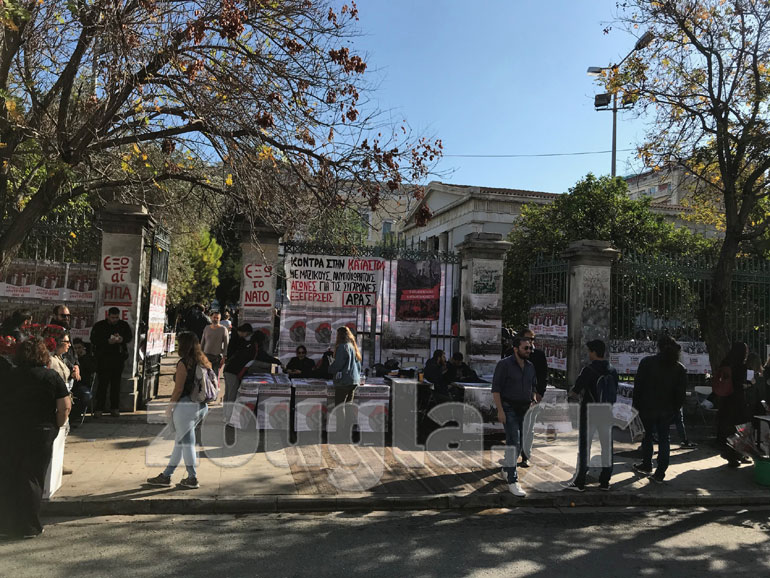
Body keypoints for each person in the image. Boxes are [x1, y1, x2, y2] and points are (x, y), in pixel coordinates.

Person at [0, 337, 71, 539]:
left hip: (10, 429)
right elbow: (64, 407)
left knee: (10, 474)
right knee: (32, 476)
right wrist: (57, 425)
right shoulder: (50, 377)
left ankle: (6, 523)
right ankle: (29, 526)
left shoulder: (8, 375)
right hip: (41, 431)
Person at [146, 332, 210, 489]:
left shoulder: (184, 363)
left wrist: (170, 407)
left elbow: (178, 389)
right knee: (181, 442)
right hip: (201, 406)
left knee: (187, 443)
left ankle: (192, 478)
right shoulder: (203, 360)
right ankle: (167, 475)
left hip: (186, 407)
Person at [632, 335, 687, 483]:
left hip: (647, 407)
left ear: (658, 347)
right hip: (667, 409)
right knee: (664, 439)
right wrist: (675, 408)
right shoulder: (679, 368)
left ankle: (647, 463)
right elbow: (681, 393)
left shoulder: (647, 362)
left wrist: (635, 405)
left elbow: (638, 386)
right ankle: (660, 472)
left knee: (647, 436)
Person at [565, 339, 618, 492]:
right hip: (607, 411)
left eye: (589, 351)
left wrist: (572, 396)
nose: (588, 354)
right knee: (606, 446)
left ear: (594, 352)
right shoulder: (612, 370)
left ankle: (580, 481)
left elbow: (576, 390)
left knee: (585, 446)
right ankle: (605, 481)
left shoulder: (588, 370)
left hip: (590, 411)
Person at [492, 335, 538, 497]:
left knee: (521, 443)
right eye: (526, 348)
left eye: (530, 348)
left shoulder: (530, 366)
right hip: (509, 407)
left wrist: (533, 399)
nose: (529, 350)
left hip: (525, 409)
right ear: (516, 349)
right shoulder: (504, 365)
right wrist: (500, 410)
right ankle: (513, 480)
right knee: (514, 441)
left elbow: (533, 386)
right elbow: (496, 389)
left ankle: (507, 469)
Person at [90, 307, 133, 417]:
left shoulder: (123, 325)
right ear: (108, 316)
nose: (115, 320)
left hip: (118, 359)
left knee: (116, 385)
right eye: (113, 317)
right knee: (102, 385)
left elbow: (129, 337)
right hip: (103, 359)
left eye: (117, 317)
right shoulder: (100, 326)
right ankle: (99, 408)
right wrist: (107, 341)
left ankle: (115, 408)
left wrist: (121, 339)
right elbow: (94, 339)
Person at [716, 342, 750, 467]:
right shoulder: (742, 366)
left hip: (725, 399)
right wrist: (749, 384)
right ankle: (737, 454)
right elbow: (741, 384)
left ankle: (731, 454)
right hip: (738, 400)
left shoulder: (725, 363)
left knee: (728, 428)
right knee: (741, 429)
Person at [222, 324, 255, 424]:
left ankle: (225, 415)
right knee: (231, 395)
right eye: (246, 334)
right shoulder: (239, 340)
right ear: (244, 332)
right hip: (232, 371)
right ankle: (228, 418)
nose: (246, 336)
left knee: (228, 394)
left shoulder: (236, 338)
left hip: (228, 369)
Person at [328, 327, 362, 408]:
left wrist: (330, 369)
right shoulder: (353, 346)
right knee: (348, 406)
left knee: (339, 407)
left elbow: (338, 364)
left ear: (339, 336)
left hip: (344, 381)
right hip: (353, 381)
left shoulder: (342, 347)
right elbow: (358, 366)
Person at [50, 305, 81, 383]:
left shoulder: (66, 330)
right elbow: (58, 353)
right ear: (55, 316)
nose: (66, 318)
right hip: (60, 372)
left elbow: (72, 349)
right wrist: (72, 368)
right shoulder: (51, 332)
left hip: (70, 373)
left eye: (68, 316)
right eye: (63, 316)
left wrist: (76, 365)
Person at [521, 328, 547, 402]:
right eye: (527, 339)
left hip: (532, 393)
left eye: (532, 339)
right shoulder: (513, 353)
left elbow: (543, 375)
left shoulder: (539, 355)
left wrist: (540, 392)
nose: (530, 341)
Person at [200, 311, 229, 375]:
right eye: (214, 317)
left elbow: (226, 344)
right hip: (206, 355)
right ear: (211, 317)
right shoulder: (206, 328)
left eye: (217, 318)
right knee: (205, 376)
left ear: (220, 319)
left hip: (216, 357)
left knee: (214, 376)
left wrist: (224, 357)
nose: (215, 319)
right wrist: (200, 354)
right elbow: (202, 342)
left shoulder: (223, 329)